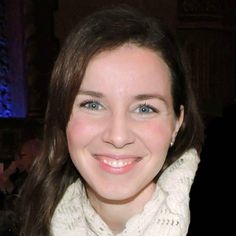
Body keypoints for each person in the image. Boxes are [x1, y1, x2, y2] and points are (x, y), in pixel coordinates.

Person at [18, 5, 204, 236]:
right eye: (93, 105)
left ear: (177, 122)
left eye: (145, 108)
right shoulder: (35, 217)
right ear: (62, 115)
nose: (118, 136)